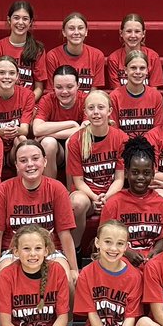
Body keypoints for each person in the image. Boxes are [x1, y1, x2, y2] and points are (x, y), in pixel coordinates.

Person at [0, 140, 78, 286]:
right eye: (23, 160)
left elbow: (64, 233)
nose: (30, 164)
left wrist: (74, 268)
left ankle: (68, 310)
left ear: (45, 161)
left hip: (50, 250)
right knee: (3, 279)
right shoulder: (4, 189)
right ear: (16, 165)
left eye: (35, 158)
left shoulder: (57, 188)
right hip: (14, 251)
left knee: (67, 279)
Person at [68, 90, 128, 244]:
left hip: (112, 193)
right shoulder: (76, 140)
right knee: (77, 203)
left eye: (101, 107)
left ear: (109, 111)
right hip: (87, 195)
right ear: (85, 112)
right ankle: (76, 250)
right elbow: (78, 181)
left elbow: (119, 179)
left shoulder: (121, 138)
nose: (96, 112)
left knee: (121, 202)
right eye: (91, 108)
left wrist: (106, 198)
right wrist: (95, 198)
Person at [100, 137, 163, 265]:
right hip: (121, 264)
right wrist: (126, 252)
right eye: (135, 172)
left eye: (146, 173)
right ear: (126, 173)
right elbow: (102, 239)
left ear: (153, 174)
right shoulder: (114, 203)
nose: (141, 177)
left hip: (153, 264)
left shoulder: (162, 204)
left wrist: (157, 250)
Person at [0, 55, 36, 167]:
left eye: (11, 73)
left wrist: (9, 131)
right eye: (2, 73)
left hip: (15, 147)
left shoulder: (27, 95)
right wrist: (3, 131)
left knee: (22, 139)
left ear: (17, 76)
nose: (7, 77)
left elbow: (24, 130)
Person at [0, 0, 46, 97]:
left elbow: (39, 88)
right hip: (3, 103)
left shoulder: (38, 49)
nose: (20, 22)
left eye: (25, 19)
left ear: (30, 22)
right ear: (9, 20)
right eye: (16, 18)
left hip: (28, 104)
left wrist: (27, 104)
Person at [33, 64, 84, 179]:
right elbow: (37, 129)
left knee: (71, 141)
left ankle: (71, 191)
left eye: (70, 87)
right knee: (48, 142)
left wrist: (48, 133)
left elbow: (85, 130)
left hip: (81, 152)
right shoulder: (48, 100)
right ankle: (50, 190)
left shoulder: (85, 100)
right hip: (56, 154)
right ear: (53, 87)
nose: (64, 92)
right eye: (59, 87)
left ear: (78, 85)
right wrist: (71, 123)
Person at [41, 12, 106, 91]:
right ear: (64, 32)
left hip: (88, 102)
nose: (76, 32)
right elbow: (52, 90)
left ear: (86, 31)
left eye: (80, 28)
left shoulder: (97, 55)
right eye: (71, 28)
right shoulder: (53, 56)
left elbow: (94, 93)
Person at [108, 51, 162, 138]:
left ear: (147, 70)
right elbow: (114, 131)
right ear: (125, 70)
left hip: (149, 147)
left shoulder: (156, 96)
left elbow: (158, 130)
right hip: (123, 148)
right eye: (133, 68)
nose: (138, 72)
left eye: (142, 68)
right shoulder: (114, 96)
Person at [106, 13, 163, 89]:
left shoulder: (153, 57)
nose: (133, 35)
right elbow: (117, 92)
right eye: (129, 31)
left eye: (137, 31)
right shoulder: (114, 59)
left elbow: (153, 91)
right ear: (121, 33)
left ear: (143, 33)